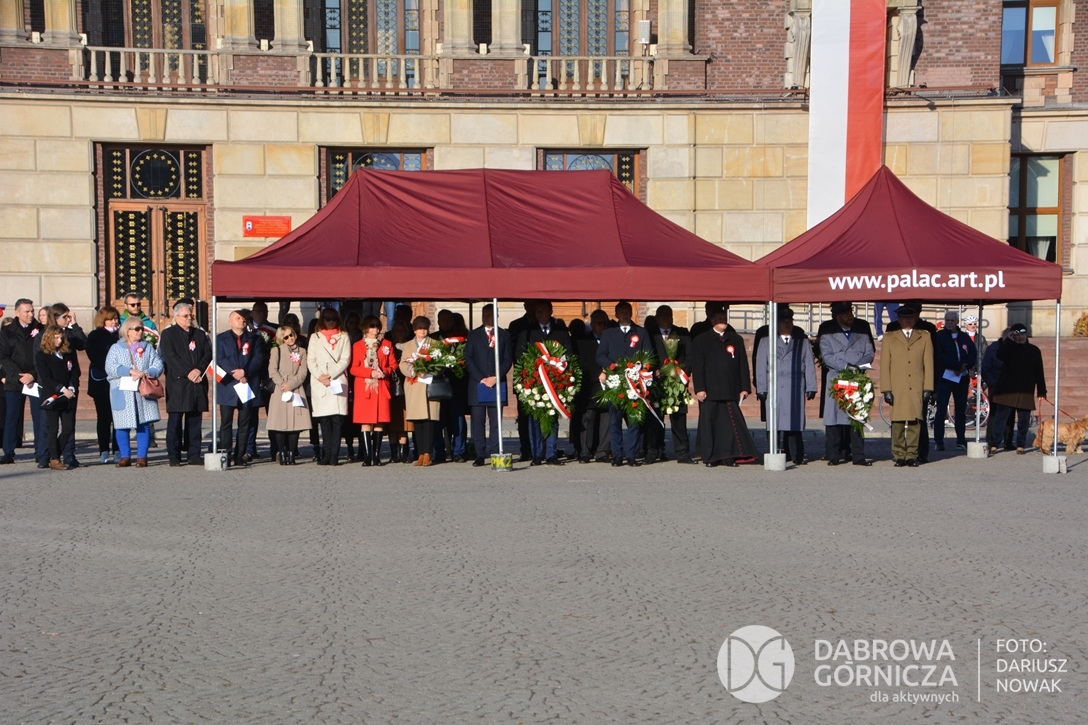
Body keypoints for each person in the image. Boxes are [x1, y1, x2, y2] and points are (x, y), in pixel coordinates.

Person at [689, 309, 756, 467]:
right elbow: (698, 366)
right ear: (712, 320)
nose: (723, 320)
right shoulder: (701, 339)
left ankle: (728, 455)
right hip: (710, 391)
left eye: (724, 318)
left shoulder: (735, 339)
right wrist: (700, 388)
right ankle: (711, 457)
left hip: (730, 389)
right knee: (710, 425)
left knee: (728, 427)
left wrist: (744, 387)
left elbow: (742, 364)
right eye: (719, 318)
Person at [755, 306, 817, 466]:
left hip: (795, 386)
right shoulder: (766, 341)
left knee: (794, 422)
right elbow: (760, 366)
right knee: (774, 422)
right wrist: (761, 388)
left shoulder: (802, 342)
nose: (787, 325)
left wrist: (811, 386)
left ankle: (796, 454)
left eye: (789, 321)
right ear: (776, 324)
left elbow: (809, 364)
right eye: (783, 322)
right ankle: (774, 450)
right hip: (774, 386)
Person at [595, 301, 654, 467]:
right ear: (616, 314)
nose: (625, 314)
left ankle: (631, 455)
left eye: (627, 311)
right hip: (616, 382)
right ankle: (617, 455)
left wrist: (639, 368)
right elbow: (600, 355)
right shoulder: (608, 333)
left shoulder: (641, 332)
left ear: (631, 313)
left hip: (634, 382)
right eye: (621, 312)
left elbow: (649, 355)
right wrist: (611, 366)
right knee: (615, 420)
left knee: (634, 420)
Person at [818, 302, 875, 466]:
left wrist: (857, 367)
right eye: (845, 314)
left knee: (856, 417)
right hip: (837, 378)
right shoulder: (828, 336)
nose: (850, 316)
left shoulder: (861, 334)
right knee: (834, 418)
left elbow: (869, 353)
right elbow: (827, 356)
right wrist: (845, 366)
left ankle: (858, 455)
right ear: (837, 317)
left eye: (850, 312)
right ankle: (833, 455)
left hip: (856, 379)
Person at [518, 301, 574, 466]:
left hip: (555, 381)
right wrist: (532, 367)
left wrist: (559, 368)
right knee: (535, 419)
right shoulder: (528, 331)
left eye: (543, 311)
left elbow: (569, 353)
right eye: (537, 311)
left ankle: (551, 454)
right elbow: (519, 354)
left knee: (551, 417)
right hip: (535, 381)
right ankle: (537, 454)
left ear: (551, 311)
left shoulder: (561, 331)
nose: (539, 314)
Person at [879, 304, 935, 467]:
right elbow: (885, 366)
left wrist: (928, 387)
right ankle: (898, 454)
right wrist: (886, 389)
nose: (908, 320)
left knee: (914, 422)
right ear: (899, 319)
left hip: (916, 385)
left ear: (915, 318)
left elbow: (928, 364)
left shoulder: (924, 336)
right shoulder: (890, 337)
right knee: (897, 422)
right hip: (898, 386)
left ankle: (911, 454)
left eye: (910, 317)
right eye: (904, 317)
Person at [158, 302, 211, 467]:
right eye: (186, 316)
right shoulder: (168, 334)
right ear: (176, 317)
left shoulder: (200, 334)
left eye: (191, 315)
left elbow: (208, 353)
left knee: (194, 420)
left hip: (197, 382)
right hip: (178, 383)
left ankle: (194, 453)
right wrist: (188, 372)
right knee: (175, 421)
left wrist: (199, 369)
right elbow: (170, 357)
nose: (189, 318)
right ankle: (173, 455)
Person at [106, 316, 163, 467]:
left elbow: (158, 364)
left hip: (142, 391)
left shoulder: (147, 347)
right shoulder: (116, 348)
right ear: (128, 331)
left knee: (143, 423)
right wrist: (129, 371)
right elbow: (110, 367)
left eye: (141, 328)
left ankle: (142, 457)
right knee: (122, 425)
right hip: (123, 391)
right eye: (137, 329)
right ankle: (125, 456)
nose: (140, 331)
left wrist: (146, 372)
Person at [645, 305, 695, 464]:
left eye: (669, 314)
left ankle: (682, 453)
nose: (666, 317)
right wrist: (653, 371)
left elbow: (690, 356)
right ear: (657, 317)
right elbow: (645, 356)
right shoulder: (650, 334)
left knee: (679, 419)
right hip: (657, 383)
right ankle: (653, 452)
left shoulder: (682, 333)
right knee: (655, 420)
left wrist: (679, 369)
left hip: (676, 382)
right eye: (662, 315)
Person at [465, 304, 512, 467]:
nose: (486, 317)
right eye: (484, 314)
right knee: (477, 421)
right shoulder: (473, 335)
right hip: (478, 383)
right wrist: (481, 378)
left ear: (496, 315)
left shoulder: (504, 335)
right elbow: (468, 358)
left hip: (496, 383)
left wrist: (496, 377)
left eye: (489, 314)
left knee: (495, 421)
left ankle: (495, 451)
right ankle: (480, 453)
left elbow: (507, 359)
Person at [989, 323, 1047, 454]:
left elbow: (1039, 371)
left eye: (1023, 334)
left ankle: (1021, 444)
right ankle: (995, 444)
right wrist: (1009, 340)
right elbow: (1000, 356)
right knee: (1001, 419)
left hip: (1025, 390)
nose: (1020, 337)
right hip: (1006, 390)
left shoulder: (1034, 350)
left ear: (1026, 335)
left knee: (1024, 420)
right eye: (1017, 335)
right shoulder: (1008, 347)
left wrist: (1042, 390)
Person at [216, 309, 263, 468]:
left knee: (245, 423)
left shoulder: (254, 339)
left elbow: (258, 359)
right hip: (228, 385)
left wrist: (245, 372)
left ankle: (239, 455)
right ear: (230, 321)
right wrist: (235, 372)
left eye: (243, 318)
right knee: (226, 423)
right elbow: (220, 358)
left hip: (246, 383)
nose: (241, 321)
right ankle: (226, 454)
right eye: (237, 318)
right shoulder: (221, 339)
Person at [0, 299, 45, 465]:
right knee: (12, 417)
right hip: (15, 380)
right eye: (27, 311)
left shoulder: (40, 329)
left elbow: (43, 354)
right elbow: (3, 356)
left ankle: (41, 452)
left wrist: (32, 374)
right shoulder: (7, 331)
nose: (31, 314)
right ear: (17, 312)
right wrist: (19, 376)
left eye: (32, 311)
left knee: (39, 417)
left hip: (35, 379)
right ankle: (8, 452)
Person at [350, 315, 398, 466]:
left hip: (381, 387)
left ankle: (376, 456)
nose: (375, 329)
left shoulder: (387, 344)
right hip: (365, 387)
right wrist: (370, 372)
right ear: (365, 328)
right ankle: (367, 456)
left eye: (377, 326)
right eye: (372, 326)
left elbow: (393, 364)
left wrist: (384, 371)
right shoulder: (358, 345)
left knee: (379, 421)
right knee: (365, 421)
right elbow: (354, 368)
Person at [308, 308, 350, 466]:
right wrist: (320, 376)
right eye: (327, 318)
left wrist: (330, 374)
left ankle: (334, 455)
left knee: (337, 420)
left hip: (337, 379)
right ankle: (326, 453)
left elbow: (345, 358)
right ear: (322, 320)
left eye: (333, 318)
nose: (330, 321)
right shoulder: (315, 337)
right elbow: (311, 360)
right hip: (320, 381)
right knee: (324, 420)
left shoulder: (344, 336)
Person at [35, 324, 79, 470]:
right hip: (52, 396)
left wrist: (71, 387)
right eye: (56, 338)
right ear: (49, 338)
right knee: (53, 428)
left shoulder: (67, 353)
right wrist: (62, 389)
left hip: (68, 396)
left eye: (61, 338)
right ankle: (54, 459)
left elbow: (74, 372)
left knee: (68, 428)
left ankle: (54, 455)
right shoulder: (42, 356)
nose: (59, 341)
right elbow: (46, 377)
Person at [932, 310, 977, 452]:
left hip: (961, 378)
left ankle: (961, 440)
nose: (949, 323)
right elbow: (939, 355)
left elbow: (973, 353)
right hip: (945, 377)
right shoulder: (939, 336)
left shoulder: (964, 337)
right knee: (941, 411)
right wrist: (956, 366)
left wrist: (965, 365)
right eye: (947, 320)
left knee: (960, 410)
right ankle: (939, 441)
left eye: (952, 320)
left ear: (957, 322)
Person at [399, 316, 442, 467]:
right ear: (414, 330)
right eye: (419, 328)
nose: (422, 331)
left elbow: (441, 363)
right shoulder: (408, 345)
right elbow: (402, 364)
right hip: (414, 385)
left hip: (429, 385)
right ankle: (420, 453)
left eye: (425, 328)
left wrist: (429, 369)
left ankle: (428, 453)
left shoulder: (435, 344)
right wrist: (414, 370)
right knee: (417, 421)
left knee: (429, 422)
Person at [267, 325, 311, 465]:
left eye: (291, 335)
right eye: (286, 337)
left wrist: (291, 385)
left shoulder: (302, 351)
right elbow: (272, 370)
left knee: (295, 424)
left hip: (296, 388)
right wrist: (282, 384)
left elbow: (303, 373)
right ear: (282, 338)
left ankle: (292, 453)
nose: (290, 338)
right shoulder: (276, 351)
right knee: (279, 423)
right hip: (280, 390)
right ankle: (282, 453)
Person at [573, 310, 611, 464]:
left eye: (605, 323)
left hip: (609, 385)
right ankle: (585, 451)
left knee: (606, 418)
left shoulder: (611, 340)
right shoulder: (584, 341)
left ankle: (602, 451)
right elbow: (582, 362)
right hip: (591, 386)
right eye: (599, 323)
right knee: (588, 419)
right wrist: (598, 373)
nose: (602, 326)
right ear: (593, 324)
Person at [87, 306, 121, 464]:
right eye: (110, 319)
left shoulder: (121, 334)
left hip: (119, 381)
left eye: (116, 318)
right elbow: (93, 355)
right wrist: (110, 367)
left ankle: (118, 450)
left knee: (118, 418)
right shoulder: (95, 335)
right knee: (104, 418)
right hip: (101, 381)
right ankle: (103, 450)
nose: (114, 321)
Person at [508, 301, 539, 462]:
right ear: (525, 306)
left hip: (543, 377)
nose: (532, 308)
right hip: (523, 376)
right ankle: (526, 449)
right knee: (524, 415)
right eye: (529, 305)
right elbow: (513, 351)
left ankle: (541, 449)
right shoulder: (516, 325)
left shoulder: (545, 324)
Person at [981, 327, 1015, 450]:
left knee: (1010, 414)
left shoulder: (1016, 349)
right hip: (996, 385)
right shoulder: (992, 349)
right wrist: (992, 383)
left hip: (1011, 386)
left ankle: (1008, 441)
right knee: (994, 414)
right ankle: (991, 441)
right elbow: (986, 368)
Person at [386, 319, 413, 463]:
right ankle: (393, 453)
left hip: (407, 384)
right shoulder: (388, 346)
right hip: (391, 385)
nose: (400, 333)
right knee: (392, 421)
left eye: (402, 330)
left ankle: (403, 452)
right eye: (397, 330)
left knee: (404, 420)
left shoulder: (410, 346)